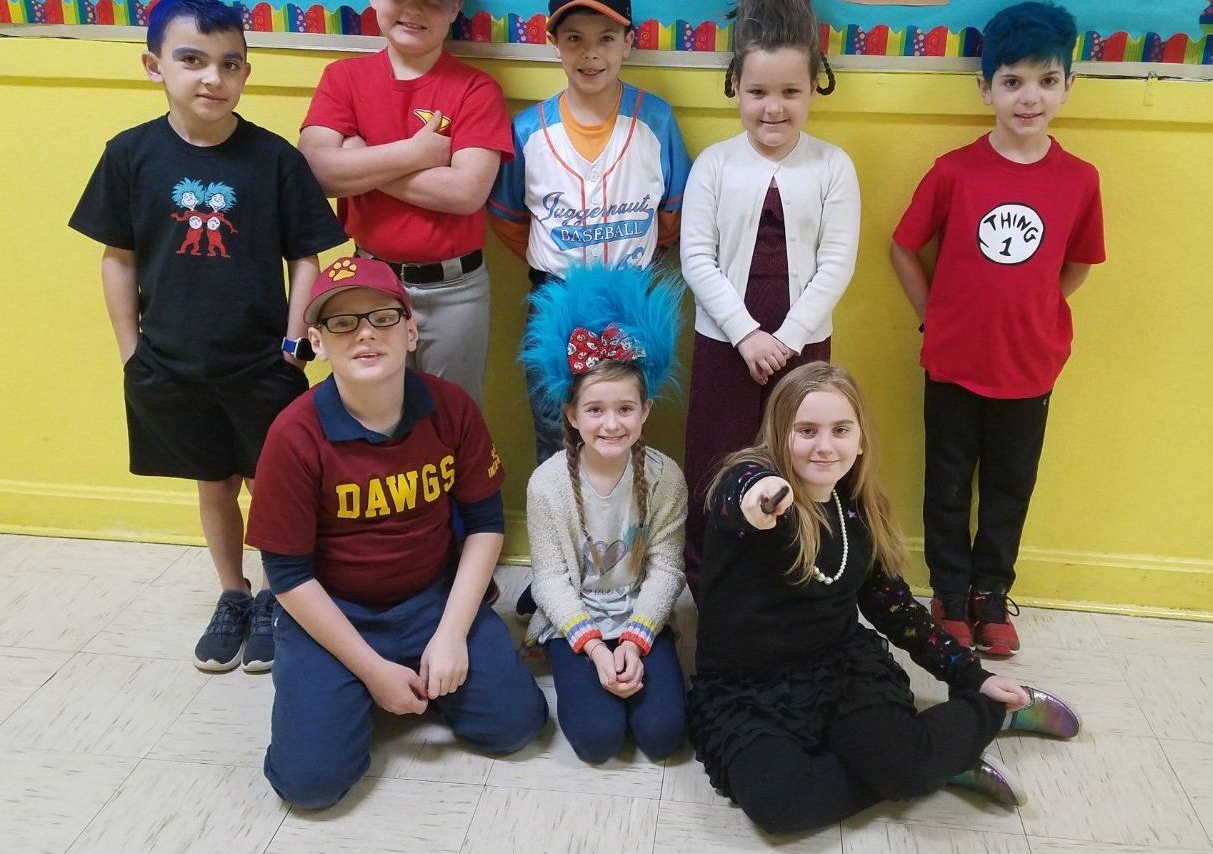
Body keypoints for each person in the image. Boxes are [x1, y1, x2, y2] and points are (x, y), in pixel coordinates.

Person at [68, 0, 347, 674]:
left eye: (230, 63)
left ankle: (281, 596)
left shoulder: (275, 159)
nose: (212, 78)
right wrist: (132, 352)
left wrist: (293, 346)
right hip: (171, 364)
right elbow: (118, 257)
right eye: (192, 59)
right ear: (154, 66)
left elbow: (305, 256)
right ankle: (234, 594)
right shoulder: (130, 155)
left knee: (273, 485)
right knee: (213, 484)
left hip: (261, 364)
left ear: (246, 72)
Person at [688, 362, 1082, 834]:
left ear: (860, 440)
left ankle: (990, 717)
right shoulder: (749, 483)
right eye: (806, 431)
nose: (824, 446)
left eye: (840, 430)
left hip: (837, 670)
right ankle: (940, 760)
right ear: (778, 434)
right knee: (782, 806)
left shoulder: (856, 510)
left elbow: (897, 611)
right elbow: (741, 495)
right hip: (747, 688)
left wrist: (971, 676)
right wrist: (761, 494)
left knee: (907, 769)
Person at [245, 257, 548, 810]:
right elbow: (286, 575)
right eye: (342, 323)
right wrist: (373, 672)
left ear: (411, 332)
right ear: (317, 342)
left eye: (382, 318)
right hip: (336, 612)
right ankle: (346, 686)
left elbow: (485, 524)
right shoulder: (293, 435)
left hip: (431, 600)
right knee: (309, 786)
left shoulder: (451, 407)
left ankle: (414, 670)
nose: (365, 333)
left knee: (517, 727)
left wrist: (451, 634)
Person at [889, 1, 1105, 656]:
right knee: (947, 484)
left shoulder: (1079, 180)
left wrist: (1033, 306)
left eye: (1045, 80)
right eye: (1011, 81)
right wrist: (933, 313)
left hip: (1029, 365)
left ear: (1068, 85)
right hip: (953, 360)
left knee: (1010, 488)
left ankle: (991, 594)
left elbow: (1077, 264)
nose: (1028, 97)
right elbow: (903, 246)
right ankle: (949, 594)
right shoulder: (954, 170)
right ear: (985, 88)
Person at [680, 0, 860, 597]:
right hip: (725, 340)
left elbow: (836, 262)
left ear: (813, 88)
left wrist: (785, 339)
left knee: (800, 458)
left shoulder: (832, 166)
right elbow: (696, 257)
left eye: (790, 91)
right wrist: (747, 334)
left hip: (802, 343)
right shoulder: (714, 165)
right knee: (718, 458)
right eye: (757, 91)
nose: (773, 107)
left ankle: (791, 577)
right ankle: (709, 582)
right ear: (735, 86)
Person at [299, 0, 513, 405]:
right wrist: (416, 153)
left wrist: (360, 159)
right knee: (372, 409)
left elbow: (465, 193)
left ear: (456, 8)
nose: (413, 9)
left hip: (456, 291)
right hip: (368, 281)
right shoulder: (343, 79)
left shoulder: (476, 89)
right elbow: (317, 171)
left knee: (451, 414)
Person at [489, 0, 691, 466]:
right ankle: (560, 519)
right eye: (574, 38)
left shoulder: (655, 119)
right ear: (553, 43)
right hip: (554, 298)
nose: (590, 53)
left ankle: (621, 518)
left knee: (623, 430)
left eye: (606, 38)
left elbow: (673, 212)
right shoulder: (528, 130)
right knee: (554, 429)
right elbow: (510, 219)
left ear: (629, 43)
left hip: (631, 298)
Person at [518, 265, 688, 762]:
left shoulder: (665, 478)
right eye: (595, 410)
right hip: (578, 618)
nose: (611, 424)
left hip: (638, 611)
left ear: (645, 410)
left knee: (663, 736)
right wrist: (594, 647)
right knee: (598, 740)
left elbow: (667, 570)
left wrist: (634, 641)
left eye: (625, 409)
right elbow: (550, 580)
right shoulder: (547, 483)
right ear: (572, 415)